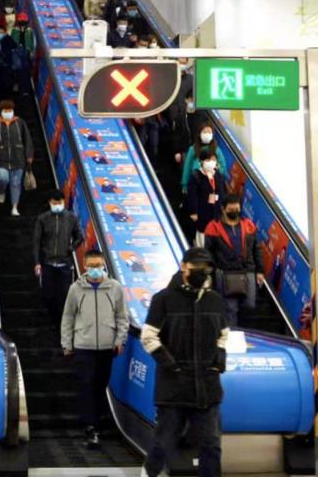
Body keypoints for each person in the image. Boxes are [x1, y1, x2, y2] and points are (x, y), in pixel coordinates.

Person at [140, 247, 228, 477]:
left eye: (205, 268)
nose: (201, 271)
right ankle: (148, 473)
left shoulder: (215, 300)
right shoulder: (163, 299)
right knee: (163, 443)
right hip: (174, 387)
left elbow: (223, 334)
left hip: (207, 387)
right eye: (196, 266)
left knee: (211, 444)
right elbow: (148, 336)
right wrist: (172, 365)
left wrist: (219, 360)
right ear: (183, 267)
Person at [61, 250, 129, 448]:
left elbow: (122, 317)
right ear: (84, 266)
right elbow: (68, 317)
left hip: (107, 346)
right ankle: (90, 427)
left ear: (104, 265)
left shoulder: (115, 288)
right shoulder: (76, 289)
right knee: (86, 385)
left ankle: (97, 422)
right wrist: (67, 343)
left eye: (98, 265)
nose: (95, 269)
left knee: (100, 386)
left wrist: (120, 340)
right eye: (91, 266)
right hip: (83, 346)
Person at [204, 194, 264, 326]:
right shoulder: (213, 227)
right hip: (225, 272)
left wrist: (260, 270)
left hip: (247, 270)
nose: (234, 212)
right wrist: (212, 272)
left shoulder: (248, 225)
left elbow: (257, 249)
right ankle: (232, 333)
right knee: (230, 309)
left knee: (250, 305)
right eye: (231, 210)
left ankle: (246, 332)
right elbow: (208, 252)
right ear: (223, 209)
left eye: (237, 209)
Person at [33, 189, 85, 324]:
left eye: (59, 202)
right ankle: (53, 319)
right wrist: (37, 262)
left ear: (63, 201)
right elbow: (36, 241)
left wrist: (71, 248)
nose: (57, 205)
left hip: (65, 264)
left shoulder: (71, 218)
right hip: (47, 263)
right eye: (54, 203)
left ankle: (63, 322)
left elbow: (80, 236)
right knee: (48, 295)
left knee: (65, 295)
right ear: (50, 202)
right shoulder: (43, 219)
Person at [0, 99, 34, 217]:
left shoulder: (20, 123)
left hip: (18, 159)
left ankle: (14, 207)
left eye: (10, 110)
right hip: (0, 160)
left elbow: (27, 139)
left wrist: (29, 155)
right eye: (5, 110)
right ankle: (2, 191)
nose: (8, 112)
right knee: (2, 178)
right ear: (1, 111)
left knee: (16, 183)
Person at [187, 149, 227, 247]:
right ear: (202, 161)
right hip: (202, 212)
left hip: (216, 212)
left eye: (214, 160)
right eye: (208, 160)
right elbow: (192, 196)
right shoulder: (196, 176)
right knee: (202, 235)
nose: (211, 162)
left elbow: (223, 192)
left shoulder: (218, 175)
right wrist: (193, 212)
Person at [181, 123, 228, 194]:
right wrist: (184, 185)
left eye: (209, 132)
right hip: (196, 182)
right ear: (200, 134)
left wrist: (216, 168)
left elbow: (223, 167)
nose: (207, 134)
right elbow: (187, 167)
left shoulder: (216, 150)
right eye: (205, 132)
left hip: (212, 183)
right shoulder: (193, 149)